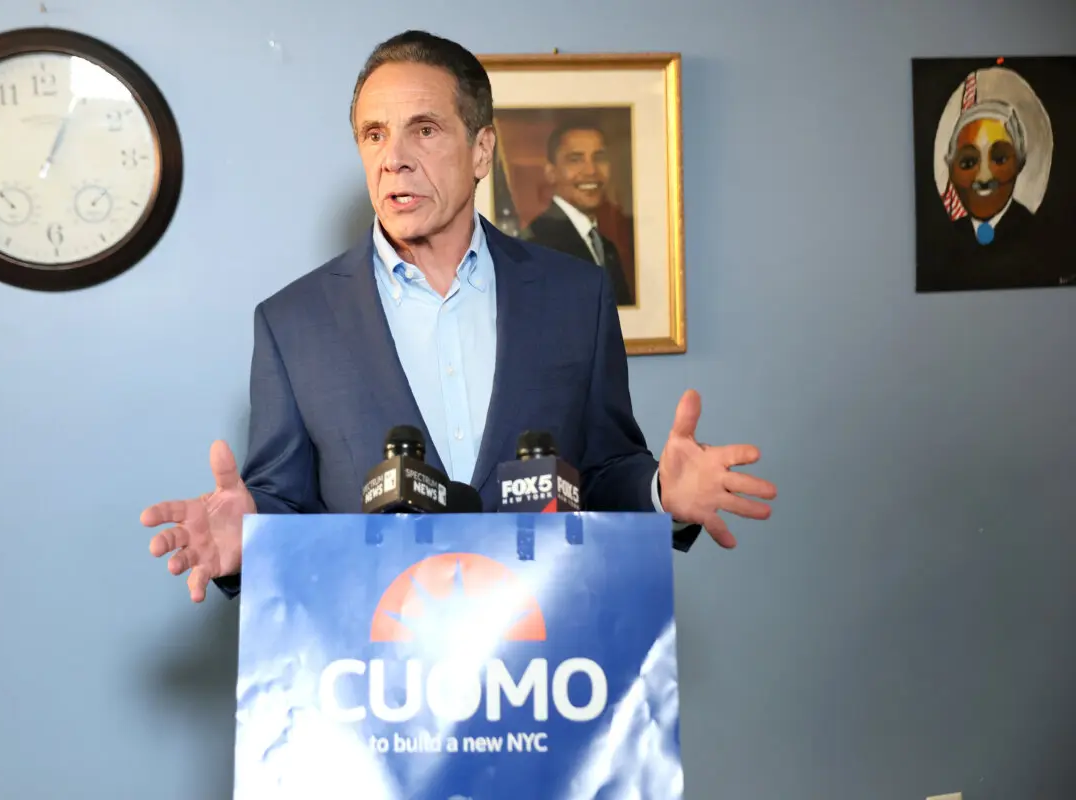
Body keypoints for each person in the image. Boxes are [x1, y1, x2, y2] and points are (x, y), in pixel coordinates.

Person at [141, 30, 777, 603]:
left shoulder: (575, 296)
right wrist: (247, 536)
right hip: (373, 659)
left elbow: (606, 471)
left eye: (423, 129)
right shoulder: (292, 322)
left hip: (545, 651)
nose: (393, 157)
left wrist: (662, 492)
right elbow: (284, 502)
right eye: (373, 134)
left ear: (481, 150)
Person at [520, 118, 634, 305]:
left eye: (599, 157)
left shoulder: (607, 247)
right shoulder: (536, 245)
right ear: (551, 172)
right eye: (575, 159)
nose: (591, 170)